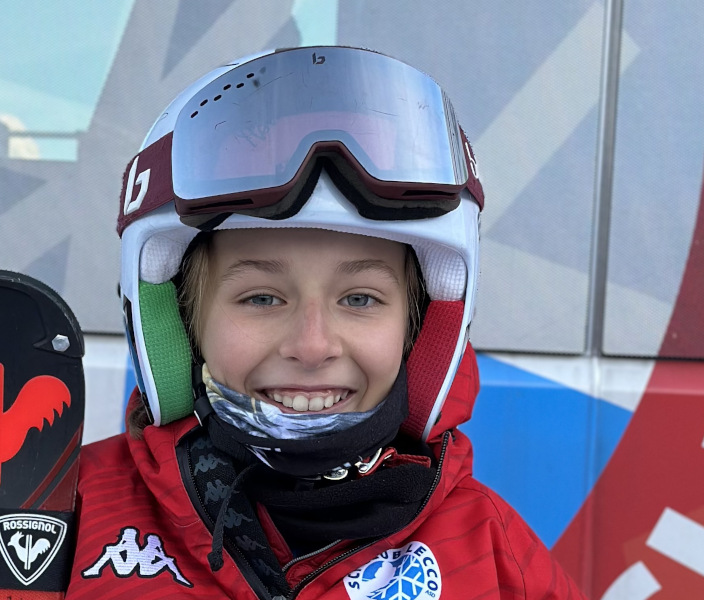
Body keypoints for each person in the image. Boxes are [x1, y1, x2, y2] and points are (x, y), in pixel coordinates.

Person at [65, 46, 587, 599]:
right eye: (262, 298)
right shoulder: (64, 521)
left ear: (419, 328)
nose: (312, 346)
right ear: (183, 322)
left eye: (360, 299)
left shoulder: (495, 559)